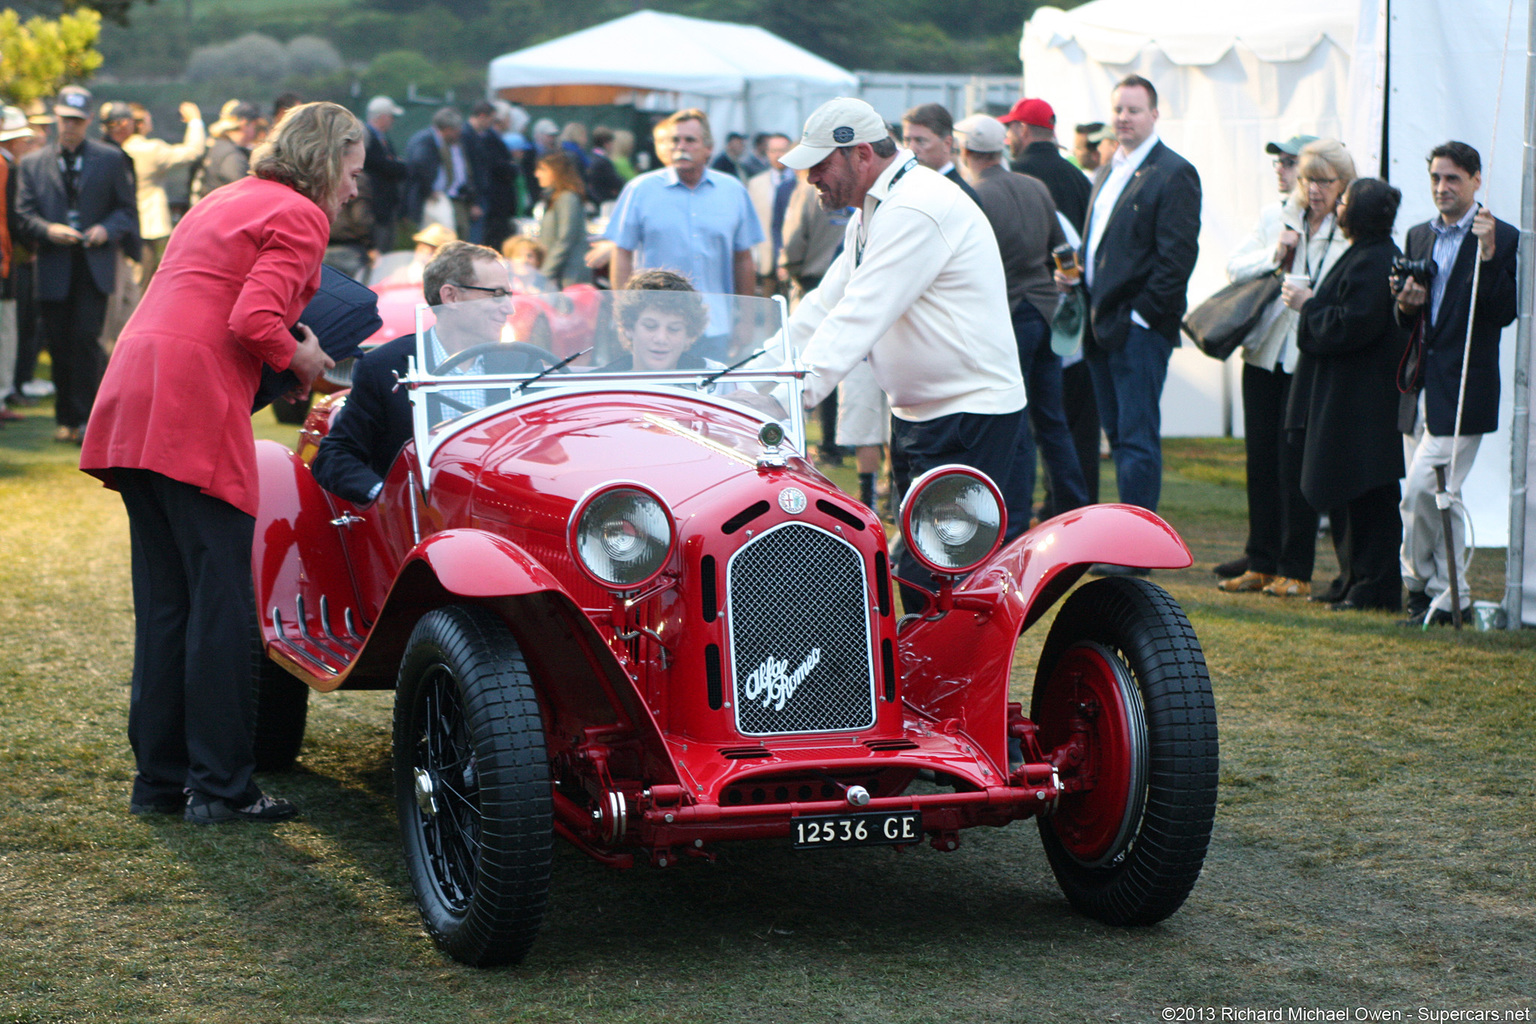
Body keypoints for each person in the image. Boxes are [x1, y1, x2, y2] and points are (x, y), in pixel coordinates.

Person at [79, 101, 362, 824]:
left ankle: (161, 784)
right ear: (327, 162)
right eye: (353, 172)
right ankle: (224, 788)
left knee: (169, 604)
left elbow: (216, 297)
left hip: (135, 390)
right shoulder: (302, 215)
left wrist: (286, 339)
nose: (356, 190)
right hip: (191, 404)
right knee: (225, 607)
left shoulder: (224, 196)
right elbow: (251, 320)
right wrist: (299, 354)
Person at [781, 97, 1024, 602]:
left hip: (967, 417)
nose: (811, 179)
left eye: (820, 164)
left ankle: (944, 681)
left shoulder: (914, 205)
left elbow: (860, 313)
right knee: (922, 577)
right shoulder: (878, 209)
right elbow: (825, 305)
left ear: (862, 155)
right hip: (930, 415)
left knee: (940, 582)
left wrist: (789, 391)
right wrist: (760, 372)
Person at [1058, 75, 1200, 577]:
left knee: (1137, 439)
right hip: (1100, 324)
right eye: (1118, 109)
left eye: (1134, 110)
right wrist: (1073, 272)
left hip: (1137, 328)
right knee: (1118, 438)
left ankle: (1137, 553)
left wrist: (1142, 316)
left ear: (1155, 115)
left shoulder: (1173, 172)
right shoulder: (1106, 170)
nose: (1123, 118)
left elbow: (1178, 257)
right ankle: (1124, 542)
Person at [1217, 138, 1351, 599]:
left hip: (1306, 359)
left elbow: (1343, 287)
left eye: (1320, 179)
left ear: (1341, 183)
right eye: (1306, 178)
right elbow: (1234, 266)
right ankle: (1261, 561)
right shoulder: (1277, 218)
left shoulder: (1346, 227)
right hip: (1262, 353)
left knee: (1296, 464)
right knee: (1260, 462)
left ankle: (1295, 568)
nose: (1312, 188)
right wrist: (1274, 256)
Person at [1393, 141, 1519, 626]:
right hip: (1419, 386)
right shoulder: (1417, 235)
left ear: (1476, 181)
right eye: (1435, 179)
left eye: (1452, 179)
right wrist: (1405, 302)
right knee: (1440, 498)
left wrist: (1487, 253)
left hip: (1466, 388)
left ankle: (1417, 586)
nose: (1442, 188)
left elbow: (1503, 314)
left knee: (1422, 492)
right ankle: (1452, 597)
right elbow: (1408, 321)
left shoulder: (1502, 236)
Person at [312, 242, 541, 506]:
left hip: (504, 515)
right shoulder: (384, 367)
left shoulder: (523, 364)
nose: (509, 309)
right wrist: (387, 497)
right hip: (418, 524)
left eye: (509, 295)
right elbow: (336, 456)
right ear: (451, 297)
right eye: (496, 294)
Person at [956, 114, 1087, 540]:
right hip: (1046, 313)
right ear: (1002, 148)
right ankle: (1075, 511)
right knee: (1052, 420)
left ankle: (1013, 522)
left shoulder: (976, 195)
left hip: (1010, 316)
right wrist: (1069, 276)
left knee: (1017, 422)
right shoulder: (1035, 188)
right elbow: (1061, 247)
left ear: (965, 152)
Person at [1284, 177, 1408, 612]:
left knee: (1368, 493)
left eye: (1345, 203)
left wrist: (1308, 305)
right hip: (1350, 398)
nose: (1336, 208)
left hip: (1364, 403)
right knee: (1347, 491)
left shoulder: (1376, 261)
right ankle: (1352, 578)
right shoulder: (1366, 255)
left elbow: (1351, 325)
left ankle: (1374, 585)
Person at [13, 85, 140, 444]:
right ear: (56, 118)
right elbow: (22, 214)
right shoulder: (34, 163)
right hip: (54, 263)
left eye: (77, 121)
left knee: (86, 341)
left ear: (87, 121)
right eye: (65, 119)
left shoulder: (110, 159)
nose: (70, 127)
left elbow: (126, 210)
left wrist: (106, 229)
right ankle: (65, 418)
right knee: (58, 343)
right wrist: (49, 230)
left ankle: (87, 418)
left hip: (92, 263)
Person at [604, 109, 763, 361]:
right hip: (656, 328)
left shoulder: (733, 191)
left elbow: (743, 259)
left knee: (706, 398)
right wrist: (623, 314)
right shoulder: (640, 190)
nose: (681, 147)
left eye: (690, 140)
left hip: (715, 326)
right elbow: (621, 254)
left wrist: (747, 320)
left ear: (708, 148)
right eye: (674, 140)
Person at [122, 101, 205, 287]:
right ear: (141, 123)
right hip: (149, 224)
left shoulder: (118, 148)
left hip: (126, 225)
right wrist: (195, 121)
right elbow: (192, 151)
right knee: (144, 283)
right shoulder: (151, 150)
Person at [1001, 98, 1089, 234]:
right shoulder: (1078, 177)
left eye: (1010, 129)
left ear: (1023, 130)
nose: (1008, 135)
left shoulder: (1011, 173)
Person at [601, 269, 715, 372]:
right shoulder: (599, 386)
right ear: (628, 328)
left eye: (674, 329)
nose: (661, 338)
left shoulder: (716, 377)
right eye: (650, 326)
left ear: (690, 336)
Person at [404, 107, 476, 241]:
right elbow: (419, 166)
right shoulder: (425, 141)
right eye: (456, 131)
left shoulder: (439, 142)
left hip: (441, 197)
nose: (458, 134)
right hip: (427, 199)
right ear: (448, 129)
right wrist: (429, 190)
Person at [901, 103, 981, 205]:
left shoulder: (961, 196)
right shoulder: (908, 188)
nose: (911, 149)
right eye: (907, 140)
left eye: (920, 141)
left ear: (947, 143)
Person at [745, 133, 794, 298]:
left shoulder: (801, 183)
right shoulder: (755, 183)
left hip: (793, 256)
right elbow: (749, 221)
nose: (778, 155)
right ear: (767, 153)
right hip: (765, 256)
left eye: (782, 150)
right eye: (773, 151)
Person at [534, 151, 592, 288]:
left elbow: (566, 238)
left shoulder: (567, 198)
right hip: (561, 274)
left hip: (569, 277)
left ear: (557, 172)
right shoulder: (557, 197)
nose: (537, 174)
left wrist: (545, 273)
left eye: (542, 169)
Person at [362, 95, 408, 254]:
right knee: (378, 250)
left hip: (386, 207)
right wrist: (397, 165)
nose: (393, 121)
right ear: (382, 117)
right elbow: (382, 164)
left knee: (386, 248)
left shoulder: (383, 139)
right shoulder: (368, 138)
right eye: (391, 117)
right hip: (375, 206)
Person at [192, 100, 260, 202]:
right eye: (254, 124)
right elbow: (246, 192)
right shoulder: (232, 155)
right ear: (244, 123)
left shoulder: (216, 145)